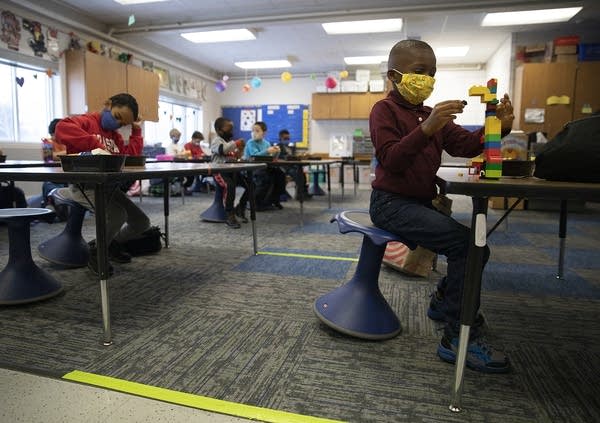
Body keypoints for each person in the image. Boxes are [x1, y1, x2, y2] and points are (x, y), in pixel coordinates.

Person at [368, 39, 515, 373]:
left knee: (478, 248)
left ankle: (444, 301)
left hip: (418, 201)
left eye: (432, 73)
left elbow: (465, 144)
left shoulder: (428, 114)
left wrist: (498, 128)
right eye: (420, 72)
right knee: (468, 246)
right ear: (395, 75)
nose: (428, 79)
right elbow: (391, 160)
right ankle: (457, 337)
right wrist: (426, 128)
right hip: (390, 203)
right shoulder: (384, 110)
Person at [54, 93, 152, 276]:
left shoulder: (114, 136)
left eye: (123, 124)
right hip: (84, 186)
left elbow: (128, 157)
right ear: (108, 104)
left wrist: (136, 131)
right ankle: (97, 252)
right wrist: (94, 144)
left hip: (108, 187)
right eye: (117, 117)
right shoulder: (86, 122)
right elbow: (62, 128)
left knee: (141, 222)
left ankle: (109, 243)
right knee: (118, 215)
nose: (118, 124)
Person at [210, 117, 252, 228]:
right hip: (219, 171)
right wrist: (236, 143)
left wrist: (240, 149)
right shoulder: (216, 141)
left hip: (231, 170)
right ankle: (229, 213)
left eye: (232, 129)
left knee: (250, 185)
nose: (231, 132)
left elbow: (235, 156)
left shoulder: (228, 142)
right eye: (228, 129)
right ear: (219, 130)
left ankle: (240, 208)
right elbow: (221, 150)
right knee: (230, 186)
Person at [244, 122, 286, 210]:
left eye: (257, 130)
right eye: (252, 130)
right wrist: (267, 151)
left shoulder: (266, 143)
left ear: (264, 133)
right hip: (251, 167)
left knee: (280, 174)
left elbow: (271, 159)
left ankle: (273, 200)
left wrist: (276, 152)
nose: (254, 133)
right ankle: (255, 202)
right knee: (264, 177)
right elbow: (254, 156)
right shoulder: (250, 142)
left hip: (264, 167)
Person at [276, 128, 309, 201]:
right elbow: (278, 158)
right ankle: (300, 194)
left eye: (288, 138)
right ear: (281, 138)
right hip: (284, 167)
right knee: (297, 173)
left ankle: (303, 192)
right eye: (285, 138)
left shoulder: (292, 147)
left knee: (301, 173)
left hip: (293, 165)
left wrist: (299, 156)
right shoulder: (278, 147)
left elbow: (294, 156)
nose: (287, 140)